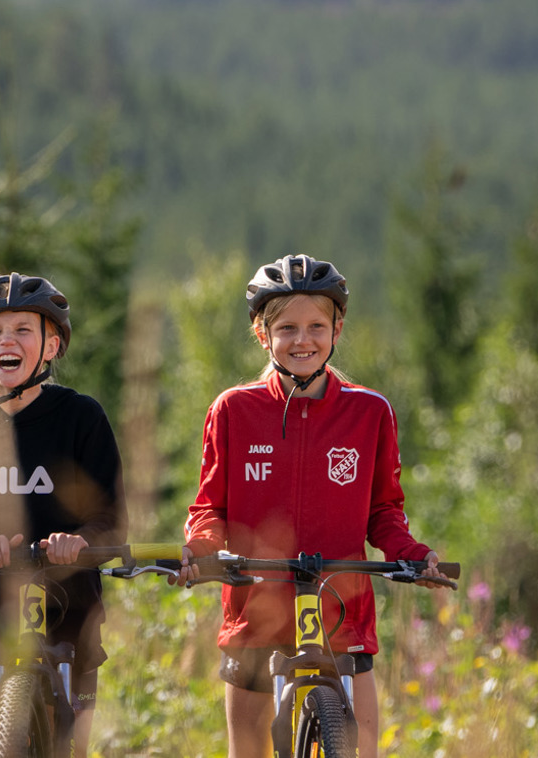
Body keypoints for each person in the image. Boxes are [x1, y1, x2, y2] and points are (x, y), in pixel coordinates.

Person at [182, 254, 448, 758]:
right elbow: (209, 507)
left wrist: (413, 553)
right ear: (263, 334)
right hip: (254, 612)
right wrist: (203, 548)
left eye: (315, 327)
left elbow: (384, 511)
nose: (302, 340)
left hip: (341, 613)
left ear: (337, 329)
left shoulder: (369, 411)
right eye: (286, 328)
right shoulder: (233, 410)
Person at [0, 274, 122, 755]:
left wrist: (78, 541)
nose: (6, 341)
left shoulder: (82, 417)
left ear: (51, 345)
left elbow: (111, 517)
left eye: (23, 330)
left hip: (68, 610)